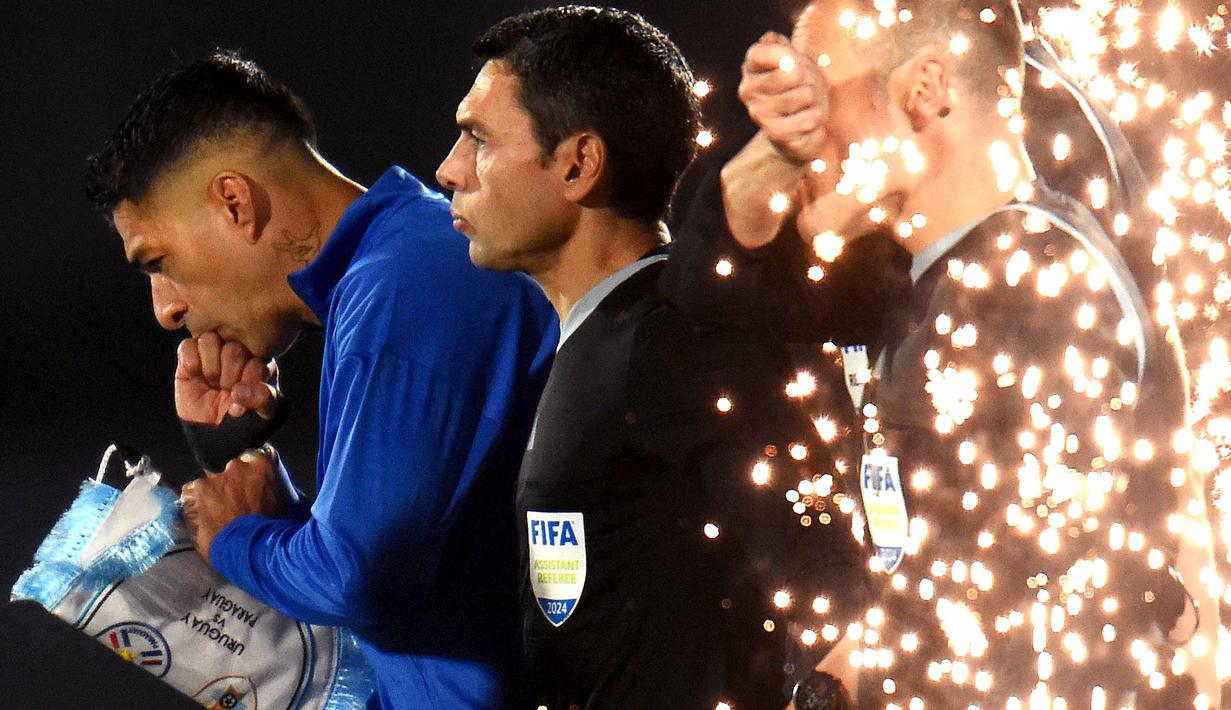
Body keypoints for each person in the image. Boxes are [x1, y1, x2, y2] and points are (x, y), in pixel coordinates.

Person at [663, 0, 1221, 705]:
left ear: (923, 92)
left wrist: (837, 687)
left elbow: (1003, 621)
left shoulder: (1028, 296)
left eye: (817, 101)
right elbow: (700, 296)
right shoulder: (941, 270)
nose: (797, 143)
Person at [83, 51, 557, 709]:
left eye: (158, 260)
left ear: (233, 201)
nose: (166, 308)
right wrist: (236, 467)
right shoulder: (391, 271)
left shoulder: (402, 285)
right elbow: (427, 579)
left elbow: (360, 581)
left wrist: (234, 537)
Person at [436, 7, 870, 708]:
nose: (449, 169)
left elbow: (825, 570)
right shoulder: (609, 333)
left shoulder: (675, 337)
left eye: (478, 138)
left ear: (578, 164)